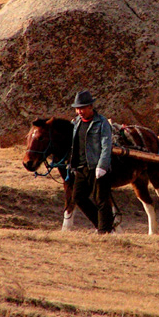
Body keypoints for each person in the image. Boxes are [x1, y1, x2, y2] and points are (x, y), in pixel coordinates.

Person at [69, 90, 114, 234]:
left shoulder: (102, 123)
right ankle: (103, 225)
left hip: (96, 167)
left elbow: (107, 146)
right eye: (77, 108)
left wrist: (102, 166)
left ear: (91, 107)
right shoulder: (76, 123)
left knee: (101, 200)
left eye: (82, 108)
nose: (79, 111)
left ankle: (104, 231)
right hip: (80, 167)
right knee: (78, 197)